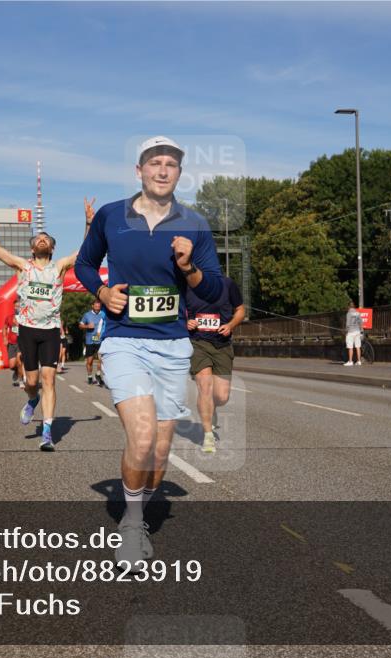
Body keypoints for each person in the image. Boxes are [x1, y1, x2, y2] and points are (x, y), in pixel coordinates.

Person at [74, 136, 223, 566]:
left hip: (173, 346)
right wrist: (102, 290)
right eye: (154, 163)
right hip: (124, 340)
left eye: (171, 165)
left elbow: (212, 289)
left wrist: (188, 268)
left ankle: (142, 497)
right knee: (139, 438)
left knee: (158, 454)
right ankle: (132, 523)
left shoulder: (194, 224)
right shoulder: (110, 216)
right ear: (138, 171)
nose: (162, 170)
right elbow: (85, 263)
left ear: (179, 173)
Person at [0, 194, 95, 451]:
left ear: (52, 248)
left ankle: (47, 432)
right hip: (28, 331)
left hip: (51, 331)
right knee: (31, 383)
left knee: (49, 380)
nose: (42, 240)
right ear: (33, 248)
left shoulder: (60, 267)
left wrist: (88, 224)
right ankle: (32, 401)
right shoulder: (22, 267)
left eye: (47, 239)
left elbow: (84, 251)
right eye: (38, 239)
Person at [186, 275, 245, 453]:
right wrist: (185, 322)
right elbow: (176, 312)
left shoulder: (227, 283)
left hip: (222, 344)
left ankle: (212, 407)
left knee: (221, 396)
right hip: (197, 342)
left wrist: (231, 325)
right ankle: (208, 435)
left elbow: (241, 310)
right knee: (204, 386)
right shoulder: (186, 286)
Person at [79, 300, 107, 386]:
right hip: (90, 340)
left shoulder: (103, 314)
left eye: (99, 306)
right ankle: (90, 376)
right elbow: (80, 325)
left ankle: (98, 374)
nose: (97, 307)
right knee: (90, 361)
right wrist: (87, 326)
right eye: (96, 305)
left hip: (100, 339)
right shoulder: (87, 315)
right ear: (92, 306)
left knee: (101, 359)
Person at [2, 308, 24, 387]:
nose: (17, 308)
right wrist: (4, 338)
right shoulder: (9, 317)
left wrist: (18, 324)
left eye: (19, 306)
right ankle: (16, 371)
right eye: (16, 306)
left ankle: (21, 380)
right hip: (11, 343)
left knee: (19, 361)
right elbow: (4, 327)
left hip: (21, 342)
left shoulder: (24, 317)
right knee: (11, 365)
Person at [344, 300, 363, 366]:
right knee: (358, 346)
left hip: (351, 332)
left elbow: (348, 324)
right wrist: (361, 331)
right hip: (357, 331)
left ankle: (350, 361)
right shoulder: (358, 313)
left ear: (349, 306)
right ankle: (359, 361)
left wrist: (346, 331)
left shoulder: (349, 313)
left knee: (350, 347)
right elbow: (361, 322)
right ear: (354, 306)